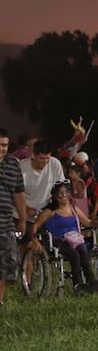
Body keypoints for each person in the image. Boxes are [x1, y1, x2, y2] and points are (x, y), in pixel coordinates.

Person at [31, 182, 98, 295]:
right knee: (74, 254)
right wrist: (34, 239)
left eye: (66, 192)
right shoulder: (50, 211)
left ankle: (91, 280)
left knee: (83, 249)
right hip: (58, 241)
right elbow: (35, 226)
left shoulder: (74, 210)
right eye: (60, 193)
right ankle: (78, 283)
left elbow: (88, 223)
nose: (64, 195)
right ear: (55, 196)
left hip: (75, 240)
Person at [0, 129, 27, 306]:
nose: (2, 148)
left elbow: (18, 193)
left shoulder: (12, 164)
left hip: (6, 224)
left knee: (7, 265)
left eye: (5, 145)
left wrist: (23, 219)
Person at [19, 140, 65, 227]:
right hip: (21, 214)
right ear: (33, 155)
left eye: (48, 158)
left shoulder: (55, 164)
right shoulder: (22, 168)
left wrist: (55, 207)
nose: (45, 162)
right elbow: (14, 195)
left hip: (43, 214)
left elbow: (60, 187)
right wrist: (27, 209)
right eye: (42, 158)